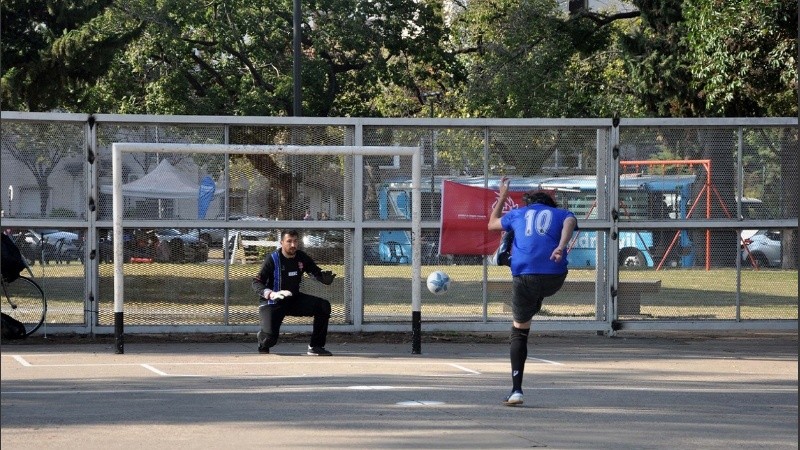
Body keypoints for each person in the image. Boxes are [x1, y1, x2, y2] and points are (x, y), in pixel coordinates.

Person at [487, 178, 578, 406]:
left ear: (528, 203)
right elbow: (569, 222)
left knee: (519, 330)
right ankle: (533, 299)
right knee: (534, 299)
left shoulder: (519, 213)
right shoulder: (562, 213)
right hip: (554, 276)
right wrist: (561, 246)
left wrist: (503, 195)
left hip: (524, 275)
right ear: (550, 203)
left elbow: (492, 223)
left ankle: (516, 390)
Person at [252, 229, 337, 356]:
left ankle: (315, 346)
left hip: (293, 299)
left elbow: (315, 272)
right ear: (281, 242)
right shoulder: (272, 259)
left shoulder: (301, 257)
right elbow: (256, 282)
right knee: (269, 340)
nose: (293, 245)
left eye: (295, 241)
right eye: (289, 241)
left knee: (323, 306)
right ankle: (263, 340)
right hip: (273, 302)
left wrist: (324, 278)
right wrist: (271, 294)